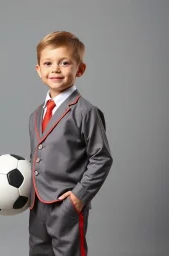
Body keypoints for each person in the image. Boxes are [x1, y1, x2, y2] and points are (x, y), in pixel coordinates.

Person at [28, 31, 113, 256]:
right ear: (39, 70)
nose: (55, 69)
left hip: (67, 204)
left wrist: (78, 197)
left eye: (64, 63)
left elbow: (101, 157)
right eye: (48, 63)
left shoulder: (85, 112)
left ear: (80, 69)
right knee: (39, 251)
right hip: (38, 205)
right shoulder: (36, 115)